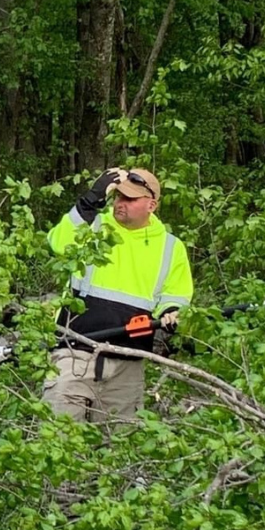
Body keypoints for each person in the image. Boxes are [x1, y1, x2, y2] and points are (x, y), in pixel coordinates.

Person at [43, 167, 193, 423]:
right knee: (56, 438)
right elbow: (58, 242)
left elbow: (177, 294)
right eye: (118, 197)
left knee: (117, 449)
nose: (120, 203)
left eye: (130, 199)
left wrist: (171, 312)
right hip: (74, 354)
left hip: (128, 364)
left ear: (151, 205)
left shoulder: (170, 246)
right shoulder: (95, 226)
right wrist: (91, 199)